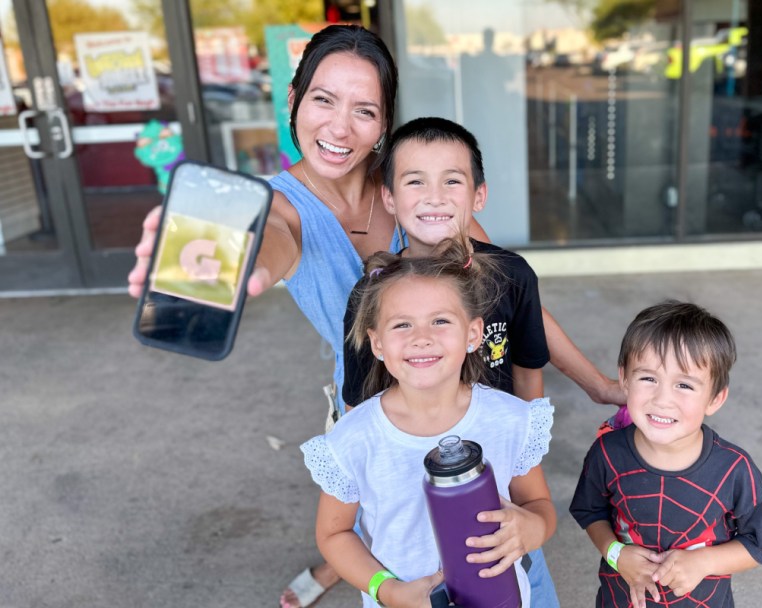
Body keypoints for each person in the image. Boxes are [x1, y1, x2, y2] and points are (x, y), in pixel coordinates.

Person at [124, 24, 617, 608]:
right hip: (370, 401)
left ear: (384, 123)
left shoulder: (417, 188)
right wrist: (243, 259)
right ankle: (345, 563)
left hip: (462, 393)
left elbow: (505, 288)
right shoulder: (279, 204)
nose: (339, 127)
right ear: (294, 101)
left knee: (480, 535)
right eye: (323, 100)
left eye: (364, 110)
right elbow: (272, 237)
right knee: (391, 529)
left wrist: (598, 385)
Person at [342, 116, 559, 605]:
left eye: (452, 181)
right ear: (390, 197)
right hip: (411, 484)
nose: (434, 196)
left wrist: (527, 467)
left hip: (500, 482)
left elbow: (528, 371)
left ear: (478, 196)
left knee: (521, 577)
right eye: (415, 180)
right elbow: (360, 404)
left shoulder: (514, 275)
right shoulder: (370, 294)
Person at [302, 238, 556, 607]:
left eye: (440, 321)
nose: (422, 338)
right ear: (377, 344)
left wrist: (532, 528)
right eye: (402, 325)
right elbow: (334, 533)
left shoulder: (510, 419)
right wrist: (387, 590)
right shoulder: (355, 438)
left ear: (473, 334)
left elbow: (539, 505)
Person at [569, 300, 762, 608]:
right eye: (648, 378)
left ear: (715, 399)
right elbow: (591, 513)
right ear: (625, 378)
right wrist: (616, 553)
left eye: (684, 384)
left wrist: (703, 562)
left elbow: (761, 546)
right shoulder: (607, 453)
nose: (663, 399)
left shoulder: (735, 469)